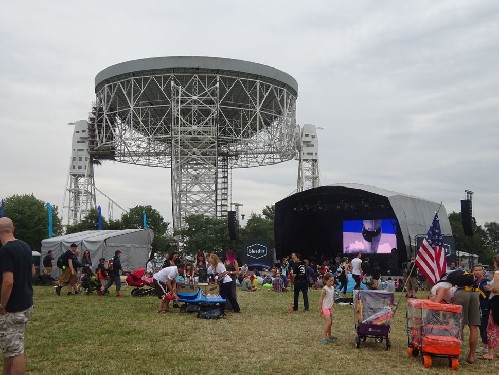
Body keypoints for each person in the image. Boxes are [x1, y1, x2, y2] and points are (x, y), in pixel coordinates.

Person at [0, 217, 35, 375]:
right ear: (12, 229)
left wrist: (2, 305)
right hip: (26, 303)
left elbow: (8, 282)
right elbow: (33, 272)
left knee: (15, 352)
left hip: (13, 308)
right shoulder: (25, 246)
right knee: (10, 348)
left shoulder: (5, 250)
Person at [482, 254, 499, 360]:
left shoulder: (497, 273)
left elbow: (497, 289)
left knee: (492, 326)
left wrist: (489, 288)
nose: (493, 265)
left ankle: (490, 353)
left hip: (496, 301)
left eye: (494, 263)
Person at [472, 264, 490, 354]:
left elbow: (489, 294)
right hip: (477, 306)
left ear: (483, 271)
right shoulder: (474, 282)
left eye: (479, 270)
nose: (478, 272)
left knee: (484, 325)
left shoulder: (486, 282)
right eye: (475, 270)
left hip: (485, 306)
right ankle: (484, 344)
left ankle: (485, 346)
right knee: (479, 325)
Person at [318, 273, 337, 344]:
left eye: (333, 281)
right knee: (328, 322)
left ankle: (330, 335)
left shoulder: (332, 288)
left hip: (330, 308)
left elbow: (331, 298)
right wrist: (320, 309)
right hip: (325, 308)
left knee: (330, 323)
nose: (332, 282)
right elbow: (321, 299)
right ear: (325, 281)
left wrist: (332, 306)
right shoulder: (325, 289)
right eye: (330, 281)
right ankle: (324, 337)